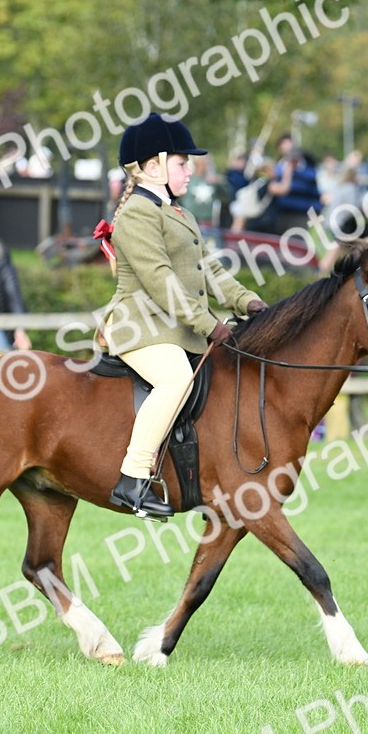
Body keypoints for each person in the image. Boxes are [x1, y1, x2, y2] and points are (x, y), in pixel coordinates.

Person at [103, 113, 267, 519]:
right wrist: (209, 324)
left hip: (174, 328)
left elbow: (209, 270)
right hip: (138, 326)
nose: (190, 170)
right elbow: (160, 281)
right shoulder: (137, 215)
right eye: (181, 163)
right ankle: (133, 477)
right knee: (176, 377)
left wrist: (248, 302)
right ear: (152, 166)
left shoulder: (178, 214)